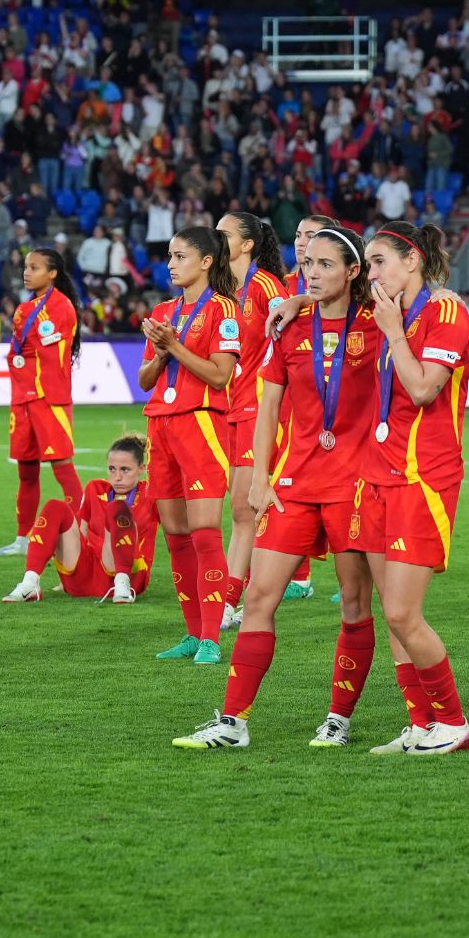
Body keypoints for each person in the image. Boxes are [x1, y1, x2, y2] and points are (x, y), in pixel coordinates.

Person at [173, 226, 381, 750]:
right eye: (307, 263)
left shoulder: (380, 324)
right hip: (295, 481)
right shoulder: (289, 326)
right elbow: (268, 408)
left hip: (354, 485)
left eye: (325, 265)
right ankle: (232, 722)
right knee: (262, 596)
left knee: (354, 605)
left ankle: (338, 718)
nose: (311, 273)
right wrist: (261, 478)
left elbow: (418, 290)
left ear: (353, 272)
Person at [352, 222, 469, 754]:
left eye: (380, 262)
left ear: (414, 261)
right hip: (381, 474)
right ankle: (422, 723)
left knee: (405, 613)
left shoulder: (444, 312)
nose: (372, 274)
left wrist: (395, 334)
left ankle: (454, 723)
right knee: (391, 612)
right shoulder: (391, 314)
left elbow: (425, 388)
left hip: (422, 477)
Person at [143, 227, 242, 666]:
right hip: (160, 426)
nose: (171, 264)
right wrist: (163, 350)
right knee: (176, 535)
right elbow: (144, 380)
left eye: (180, 256)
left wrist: (174, 345)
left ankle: (211, 639)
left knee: (204, 534)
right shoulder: (163, 311)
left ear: (206, 262)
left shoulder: (224, 311)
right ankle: (190, 632)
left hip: (201, 424)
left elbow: (219, 376)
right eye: (169, 256)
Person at [214, 211, 290, 631]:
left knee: (244, 508)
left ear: (246, 245)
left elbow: (288, 337)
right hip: (228, 405)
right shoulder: (221, 290)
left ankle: (230, 601)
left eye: (223, 234)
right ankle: (245, 595)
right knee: (244, 509)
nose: (215, 238)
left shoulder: (266, 287)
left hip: (259, 407)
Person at [0, 249, 82, 558]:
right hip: (23, 400)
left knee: (62, 469)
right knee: (26, 473)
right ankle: (23, 539)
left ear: (52, 273)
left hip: (48, 399)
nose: (26, 272)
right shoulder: (24, 308)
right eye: (26, 267)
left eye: (34, 267)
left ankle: (81, 532)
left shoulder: (60, 307)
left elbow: (47, 351)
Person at [1, 434, 158, 604]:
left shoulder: (152, 493)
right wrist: (66, 573)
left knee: (118, 508)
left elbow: (176, 532)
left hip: (130, 577)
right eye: (112, 469)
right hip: (85, 579)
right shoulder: (95, 488)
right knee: (55, 506)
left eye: (125, 470)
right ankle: (29, 583)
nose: (117, 477)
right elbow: (80, 534)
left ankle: (122, 583)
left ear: (142, 468)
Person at [280, 213, 342, 603]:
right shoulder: (285, 286)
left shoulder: (347, 289)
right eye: (299, 234)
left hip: (335, 404)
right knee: (291, 486)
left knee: (341, 491)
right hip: (292, 400)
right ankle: (298, 574)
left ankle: (356, 575)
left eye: (313, 236)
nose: (302, 241)